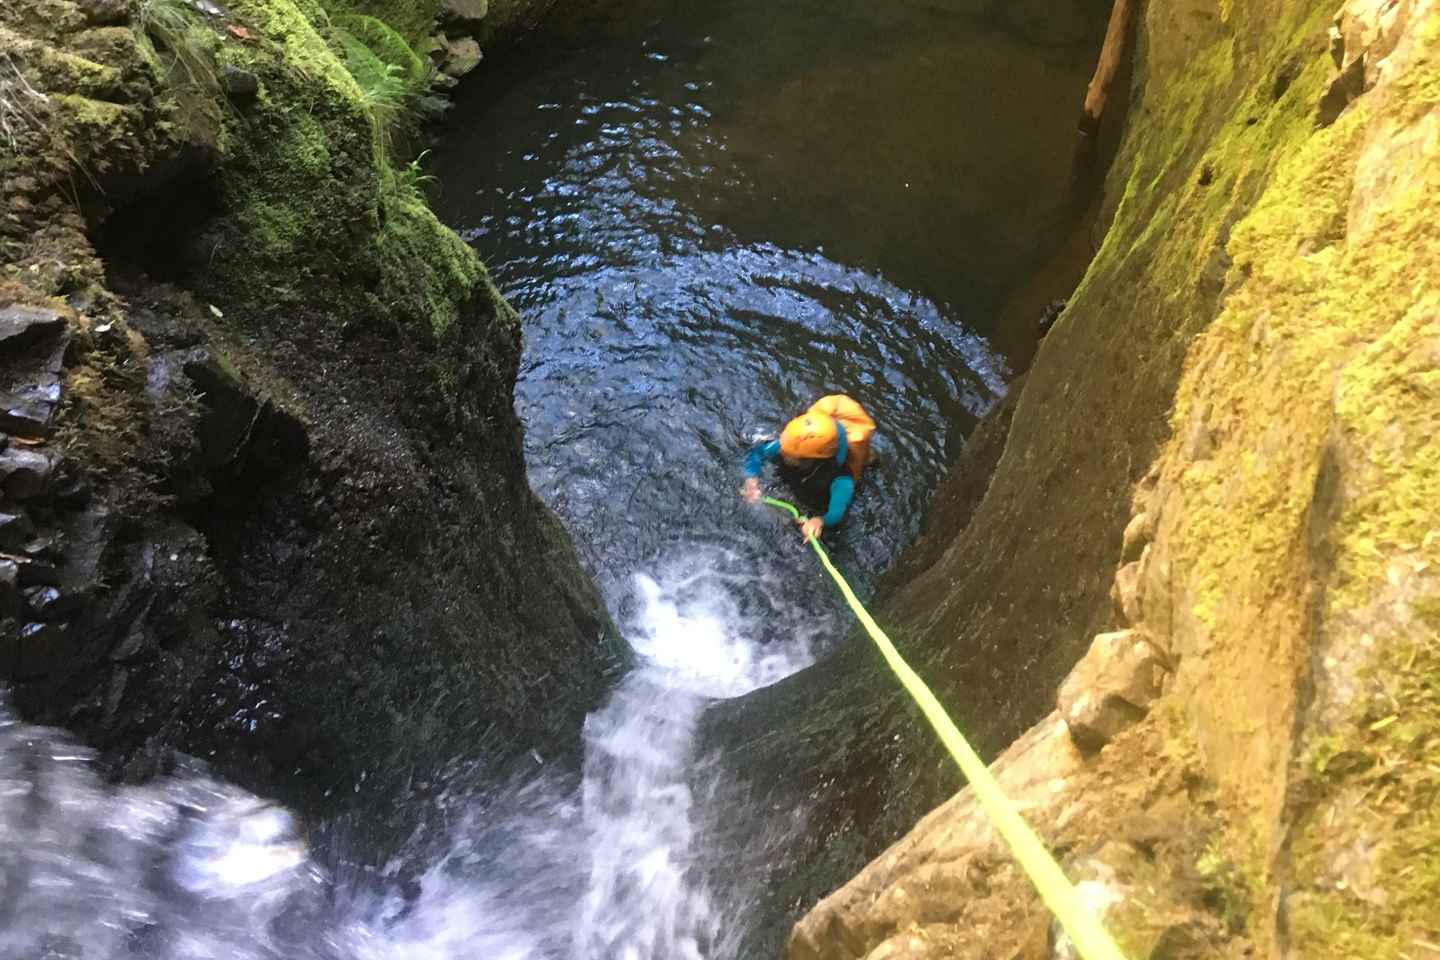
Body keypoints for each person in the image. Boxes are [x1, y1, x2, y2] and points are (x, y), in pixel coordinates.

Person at [742, 395, 876, 540]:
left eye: (789, 454)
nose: (781, 451)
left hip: (818, 497)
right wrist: (751, 480)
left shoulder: (842, 480)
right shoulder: (790, 446)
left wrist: (820, 521)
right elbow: (758, 453)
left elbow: (836, 513)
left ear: (810, 460)